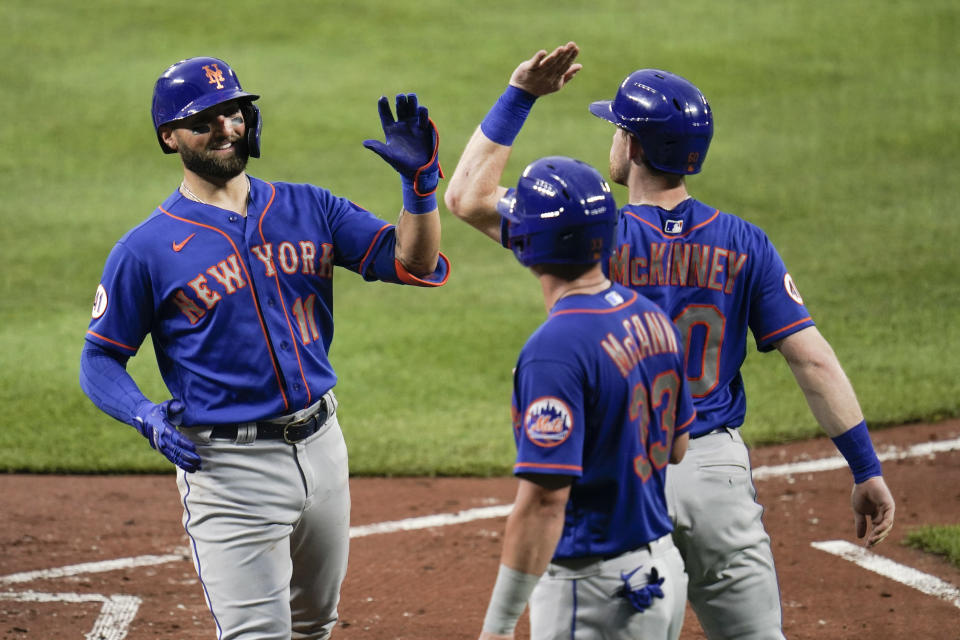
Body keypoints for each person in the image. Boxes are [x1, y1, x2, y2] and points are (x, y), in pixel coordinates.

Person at [445, 43, 896, 640]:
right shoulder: (745, 242)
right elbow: (810, 357)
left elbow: (467, 198)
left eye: (616, 129)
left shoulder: (591, 230)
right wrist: (865, 467)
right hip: (714, 471)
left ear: (632, 147)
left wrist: (520, 94)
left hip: (625, 471)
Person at [79, 56, 449, 639]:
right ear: (169, 137)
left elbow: (414, 261)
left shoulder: (310, 207)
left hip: (323, 447)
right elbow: (99, 357)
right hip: (229, 468)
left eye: (234, 113)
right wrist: (143, 413)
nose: (227, 128)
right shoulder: (144, 250)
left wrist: (420, 187)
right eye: (205, 119)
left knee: (314, 627)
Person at [477, 155, 695, 640]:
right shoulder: (651, 315)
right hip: (661, 569)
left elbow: (544, 502)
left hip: (595, 591)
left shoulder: (554, 349)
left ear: (528, 243)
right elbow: (677, 448)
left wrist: (497, 628)